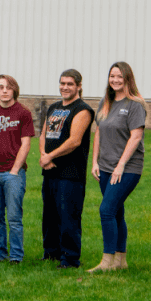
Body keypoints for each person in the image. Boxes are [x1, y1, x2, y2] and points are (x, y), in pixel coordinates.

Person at [88, 62, 147, 273]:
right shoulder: (106, 102)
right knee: (116, 212)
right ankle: (121, 260)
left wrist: (120, 166)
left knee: (106, 210)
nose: (115, 80)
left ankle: (107, 261)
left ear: (128, 79)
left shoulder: (135, 105)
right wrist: (95, 161)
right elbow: (99, 132)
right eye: (112, 76)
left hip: (127, 168)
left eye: (119, 76)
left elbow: (136, 136)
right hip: (104, 166)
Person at [39, 70, 94, 269]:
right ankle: (51, 253)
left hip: (71, 173)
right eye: (62, 83)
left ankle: (70, 258)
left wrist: (51, 156)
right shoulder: (53, 107)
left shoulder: (83, 109)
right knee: (50, 215)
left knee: (68, 216)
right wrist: (44, 157)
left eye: (70, 84)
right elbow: (44, 134)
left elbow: (74, 141)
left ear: (79, 86)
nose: (65, 87)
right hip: (50, 170)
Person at [0, 74, 35, 264]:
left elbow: (26, 144)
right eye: (0, 87)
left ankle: (16, 256)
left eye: (8, 87)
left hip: (13, 174)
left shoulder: (23, 112)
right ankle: (0, 254)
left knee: (14, 218)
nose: (4, 91)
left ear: (14, 90)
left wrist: (14, 171)